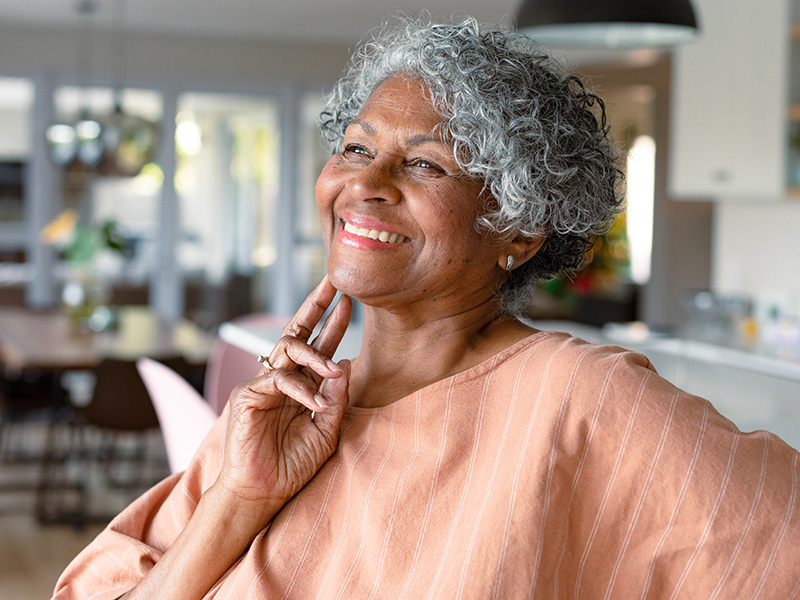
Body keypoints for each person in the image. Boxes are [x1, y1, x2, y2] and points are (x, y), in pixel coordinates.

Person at [53, 16, 799, 600]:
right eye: (354, 147)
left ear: (517, 227)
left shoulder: (581, 401)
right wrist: (240, 500)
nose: (365, 183)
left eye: (423, 164)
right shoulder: (279, 411)